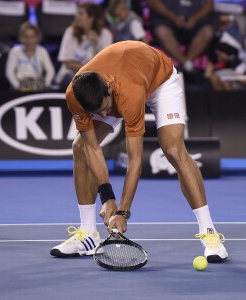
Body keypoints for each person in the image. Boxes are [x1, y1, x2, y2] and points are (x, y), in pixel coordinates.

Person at [50, 41, 228, 263]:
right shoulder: (75, 97)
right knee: (79, 146)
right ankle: (88, 234)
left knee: (173, 149)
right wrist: (107, 198)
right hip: (123, 83)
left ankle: (210, 234)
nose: (105, 114)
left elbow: (135, 161)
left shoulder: (128, 93)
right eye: (98, 112)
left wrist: (123, 212)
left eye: (106, 108)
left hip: (159, 81)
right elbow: (92, 147)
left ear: (108, 87)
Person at [54, 2, 113, 92]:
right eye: (77, 14)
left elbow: (105, 64)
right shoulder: (70, 32)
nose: (77, 17)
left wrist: (95, 45)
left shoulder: (106, 35)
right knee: (80, 82)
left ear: (91, 18)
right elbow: (68, 64)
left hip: (96, 76)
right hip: (71, 74)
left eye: (81, 14)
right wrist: (89, 71)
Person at [147, 0, 215, 73]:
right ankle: (185, 64)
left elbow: (209, 4)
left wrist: (195, 18)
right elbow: (152, 2)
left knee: (208, 31)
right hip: (166, 18)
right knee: (162, 31)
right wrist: (173, 17)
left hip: (195, 20)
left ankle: (187, 63)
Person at [5, 21, 55, 92]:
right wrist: (17, 86)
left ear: (37, 38)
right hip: (20, 83)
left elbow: (50, 71)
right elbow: (9, 72)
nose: (29, 40)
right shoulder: (15, 52)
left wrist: (46, 85)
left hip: (37, 84)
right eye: (26, 37)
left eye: (32, 37)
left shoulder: (42, 51)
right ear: (21, 38)